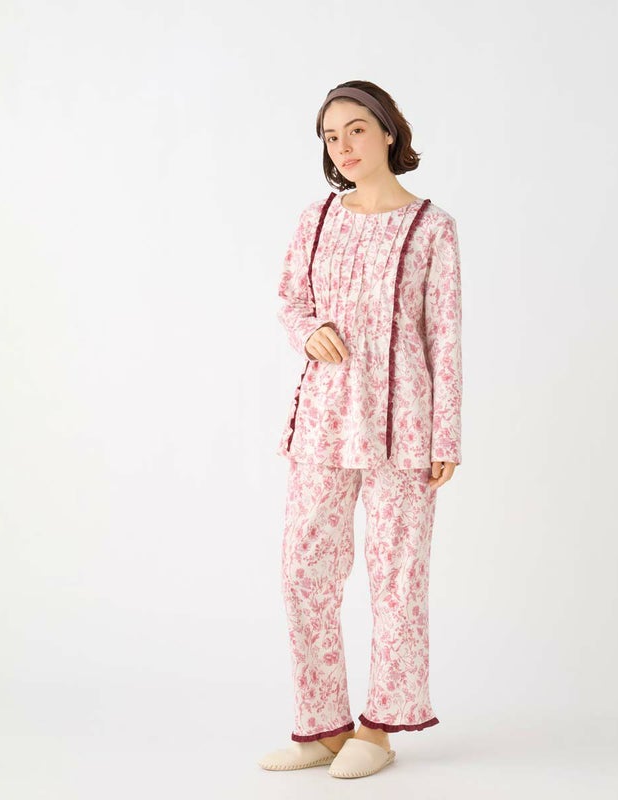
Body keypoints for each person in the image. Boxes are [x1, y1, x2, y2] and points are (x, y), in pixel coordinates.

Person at [258, 80, 463, 779]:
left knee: (396, 576)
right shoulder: (317, 219)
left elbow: (444, 335)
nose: (342, 146)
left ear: (387, 132)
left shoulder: (431, 227)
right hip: (323, 418)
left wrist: (446, 436)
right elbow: (290, 301)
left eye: (355, 130)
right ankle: (322, 727)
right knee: (303, 569)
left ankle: (379, 728)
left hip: (405, 425)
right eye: (330, 136)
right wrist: (309, 330)